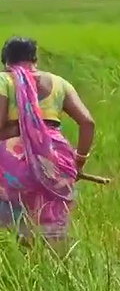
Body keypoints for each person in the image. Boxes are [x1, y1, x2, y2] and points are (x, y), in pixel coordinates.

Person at [0, 36, 95, 242]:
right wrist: (79, 162)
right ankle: (53, 258)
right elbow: (87, 122)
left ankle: (18, 258)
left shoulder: (3, 81)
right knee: (53, 232)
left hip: (13, 165)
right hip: (56, 161)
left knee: (11, 232)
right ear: (35, 59)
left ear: (6, 61)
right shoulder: (60, 83)